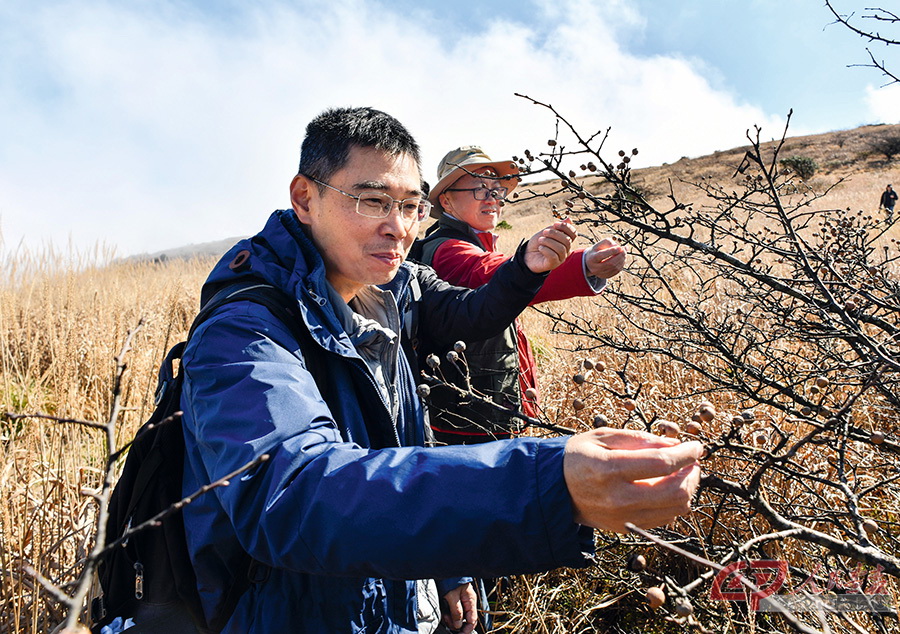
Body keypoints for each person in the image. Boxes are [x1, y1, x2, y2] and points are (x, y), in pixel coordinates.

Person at [176, 107, 703, 634]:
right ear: (304, 199)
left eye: (408, 207)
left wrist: (446, 568)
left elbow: (457, 341)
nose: (397, 227)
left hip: (392, 598)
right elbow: (296, 493)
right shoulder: (244, 332)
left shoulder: (396, 290)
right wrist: (546, 484)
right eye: (373, 201)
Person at [410, 146, 627, 445]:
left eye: (497, 190)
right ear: (446, 200)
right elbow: (492, 273)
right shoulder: (448, 250)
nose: (492, 198)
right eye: (479, 188)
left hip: (481, 412)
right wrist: (582, 263)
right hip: (471, 424)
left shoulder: (471, 242)